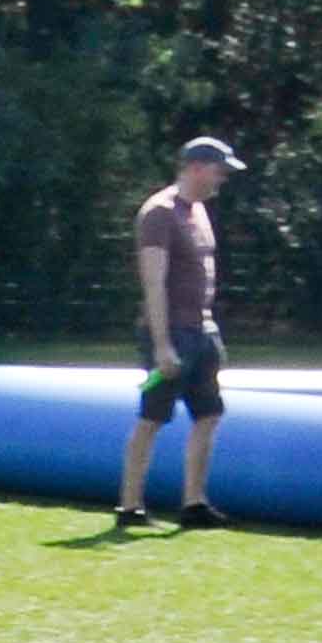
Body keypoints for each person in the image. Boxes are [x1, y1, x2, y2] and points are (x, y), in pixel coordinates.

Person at [112, 136, 238, 525]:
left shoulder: (198, 211)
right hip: (172, 333)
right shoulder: (159, 213)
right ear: (196, 168)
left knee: (209, 413)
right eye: (219, 170)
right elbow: (154, 283)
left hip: (202, 330)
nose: (222, 179)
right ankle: (130, 506)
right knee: (152, 417)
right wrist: (163, 344)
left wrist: (209, 331)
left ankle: (193, 503)